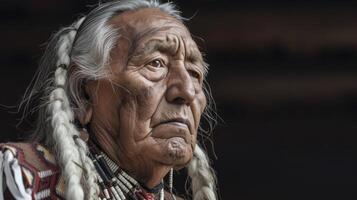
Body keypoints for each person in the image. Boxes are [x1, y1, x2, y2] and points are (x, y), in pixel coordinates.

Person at [0, 0, 217, 199]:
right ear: (82, 94)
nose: (187, 91)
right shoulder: (18, 176)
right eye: (156, 63)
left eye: (194, 72)